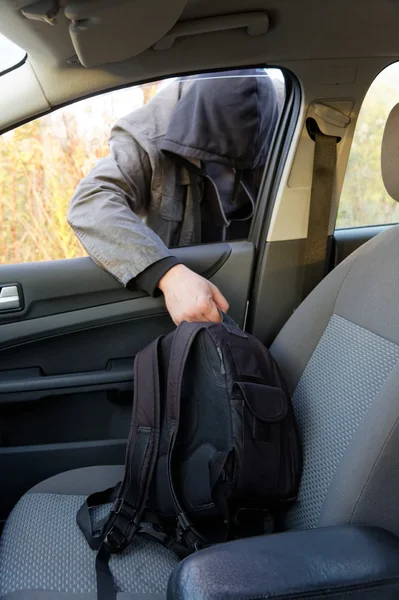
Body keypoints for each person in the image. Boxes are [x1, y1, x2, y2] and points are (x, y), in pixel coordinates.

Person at [68, 69, 278, 325]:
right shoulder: (148, 136)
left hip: (256, 270)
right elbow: (90, 203)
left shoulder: (290, 111)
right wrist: (168, 275)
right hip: (186, 272)